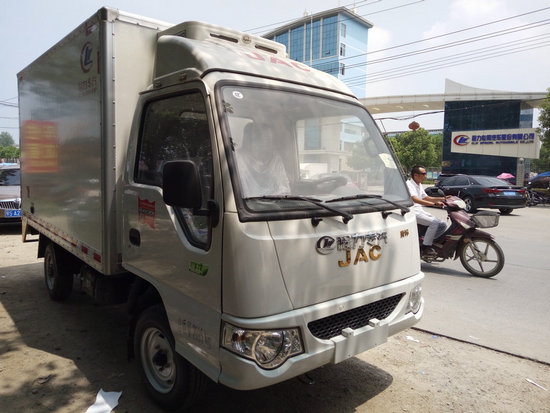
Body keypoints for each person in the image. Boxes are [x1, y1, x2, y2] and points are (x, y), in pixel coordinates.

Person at [235, 122, 290, 198]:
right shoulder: (238, 158)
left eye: (270, 140)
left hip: (274, 203)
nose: (269, 144)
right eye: (266, 140)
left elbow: (284, 189)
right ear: (253, 141)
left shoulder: (275, 159)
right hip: (246, 204)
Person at [406, 165, 448, 254]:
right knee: (434, 222)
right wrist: (434, 204)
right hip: (413, 212)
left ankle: (428, 241)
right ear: (416, 175)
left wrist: (443, 198)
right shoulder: (409, 184)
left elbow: (426, 197)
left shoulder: (419, 184)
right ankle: (425, 247)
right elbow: (415, 199)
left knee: (443, 224)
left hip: (420, 211)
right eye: (423, 173)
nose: (425, 175)